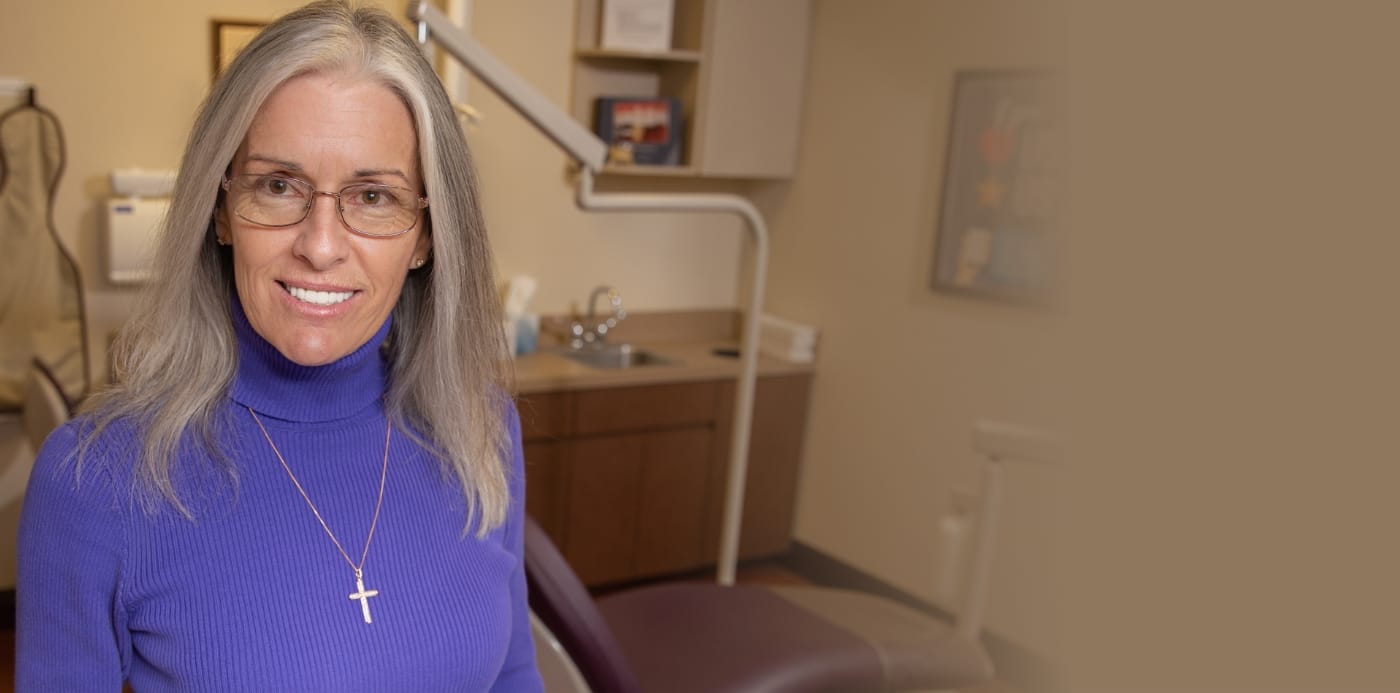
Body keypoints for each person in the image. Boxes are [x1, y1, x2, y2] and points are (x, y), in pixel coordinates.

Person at [16, 2, 542, 690]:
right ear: (221, 210)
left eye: (374, 196)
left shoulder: (482, 431)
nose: (320, 245)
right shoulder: (97, 481)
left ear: (426, 235)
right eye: (277, 185)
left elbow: (512, 675)